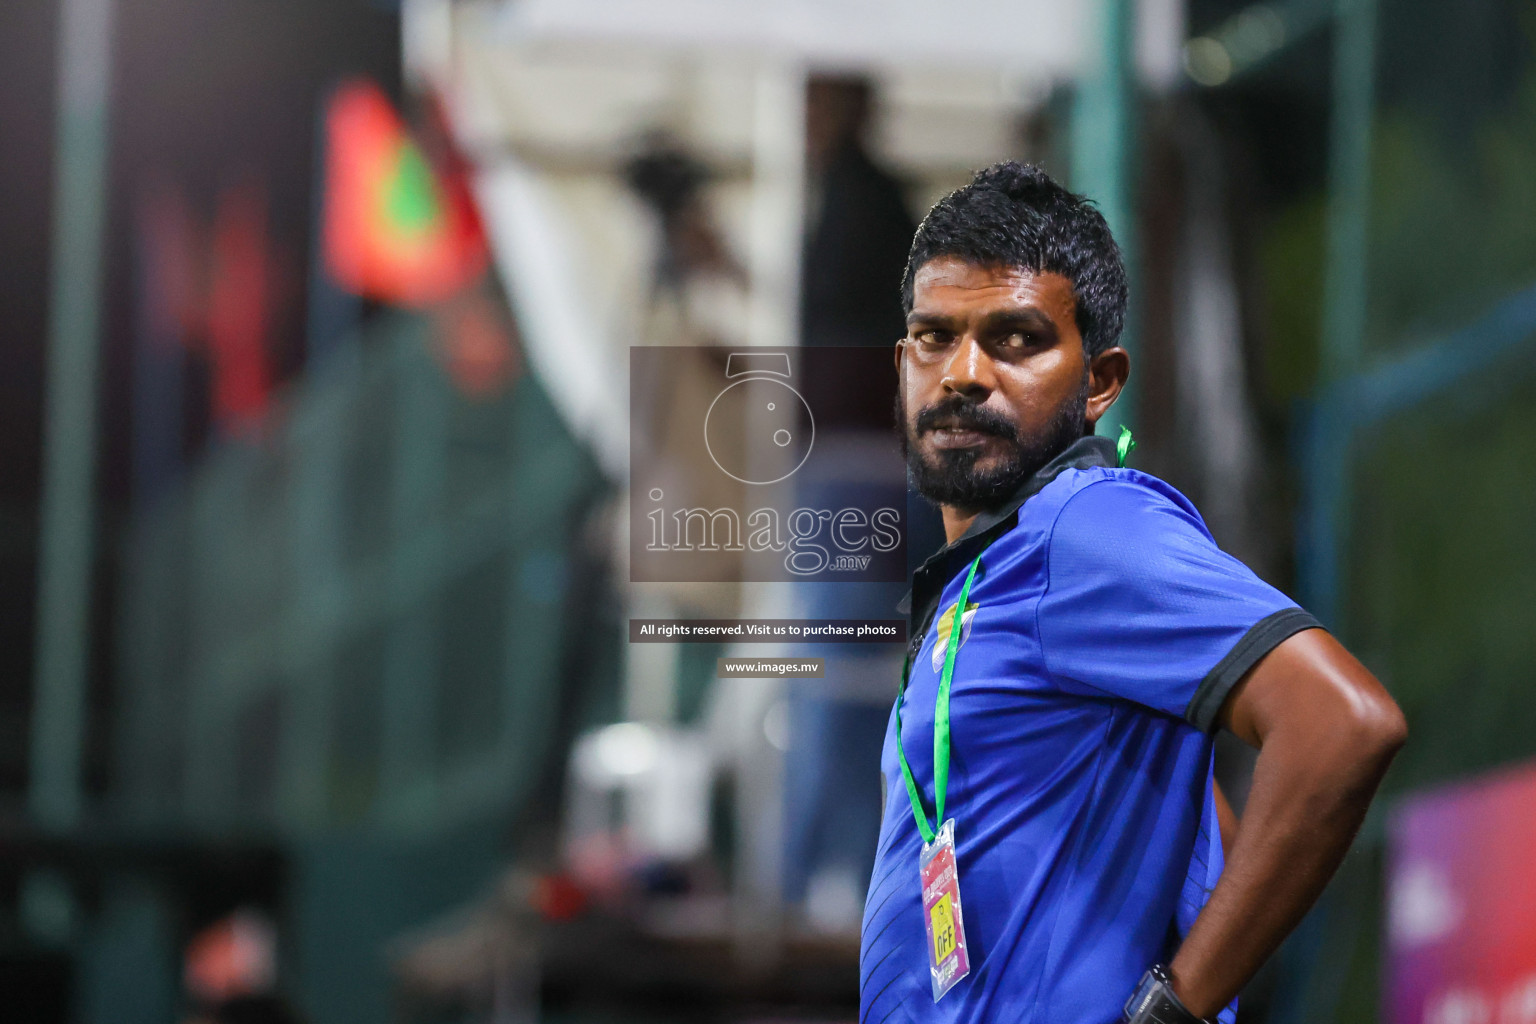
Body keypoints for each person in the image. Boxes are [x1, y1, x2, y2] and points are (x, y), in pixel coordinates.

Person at [859, 161, 1406, 1024]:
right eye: (935, 336)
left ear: (1101, 382)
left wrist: (1173, 1011)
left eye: (1015, 338)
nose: (963, 372)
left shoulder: (1084, 527)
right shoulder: (988, 577)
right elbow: (1196, 828)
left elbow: (1343, 723)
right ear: (902, 363)